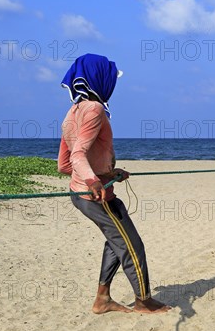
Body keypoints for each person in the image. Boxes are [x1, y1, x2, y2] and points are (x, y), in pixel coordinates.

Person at [57, 53, 170, 315]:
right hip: (94, 196)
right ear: (101, 78)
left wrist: (107, 173)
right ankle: (143, 301)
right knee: (132, 245)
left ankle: (102, 299)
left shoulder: (71, 112)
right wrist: (93, 180)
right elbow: (77, 156)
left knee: (116, 241)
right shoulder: (94, 109)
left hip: (83, 193)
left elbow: (63, 165)